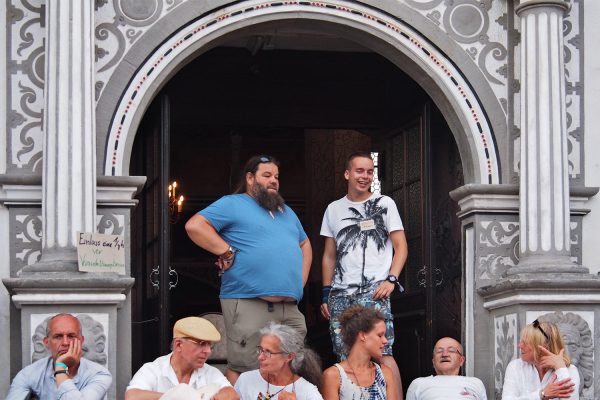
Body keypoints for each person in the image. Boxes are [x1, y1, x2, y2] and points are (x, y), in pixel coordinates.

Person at [186, 155, 312, 383]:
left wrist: (299, 282)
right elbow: (195, 225)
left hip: (289, 308)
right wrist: (226, 251)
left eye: (276, 176)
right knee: (245, 367)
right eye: (267, 175)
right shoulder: (232, 203)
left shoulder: (286, 212)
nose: (274, 180)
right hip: (248, 302)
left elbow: (305, 244)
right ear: (250, 178)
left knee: (291, 367)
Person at [320, 151, 407, 398]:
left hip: (374, 291)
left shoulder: (385, 204)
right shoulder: (333, 209)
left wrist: (392, 279)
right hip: (340, 294)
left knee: (384, 351)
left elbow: (401, 246)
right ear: (347, 174)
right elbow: (329, 255)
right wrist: (326, 292)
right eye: (360, 171)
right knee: (344, 352)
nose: (365, 176)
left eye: (370, 171)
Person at [125, 316, 239, 400]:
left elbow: (232, 394)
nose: (208, 351)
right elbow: (132, 396)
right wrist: (176, 397)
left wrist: (223, 395)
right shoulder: (153, 369)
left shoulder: (210, 372)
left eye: (210, 345)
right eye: (202, 343)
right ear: (179, 344)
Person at [6, 313, 112, 400]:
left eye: (71, 336)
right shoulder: (28, 374)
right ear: (47, 342)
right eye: (58, 336)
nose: (65, 343)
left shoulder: (99, 374)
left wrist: (60, 368)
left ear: (81, 341)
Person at [322, 305, 397, 400]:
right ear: (362, 336)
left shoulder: (385, 373)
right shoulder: (333, 376)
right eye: (380, 335)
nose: (385, 340)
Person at [234, 322, 323, 400]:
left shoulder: (307, 391)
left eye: (268, 352)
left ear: (289, 356)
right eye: (260, 350)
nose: (260, 357)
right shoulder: (245, 380)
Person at [501, 319, 579, 400]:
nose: (519, 346)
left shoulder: (570, 370)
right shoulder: (515, 366)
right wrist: (541, 394)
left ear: (543, 346)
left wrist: (560, 369)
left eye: (525, 342)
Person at [405, 337, 487, 400]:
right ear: (433, 361)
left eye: (451, 350)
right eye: (439, 351)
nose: (444, 354)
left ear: (461, 360)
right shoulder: (418, 384)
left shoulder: (476, 383)